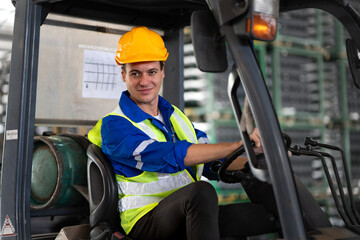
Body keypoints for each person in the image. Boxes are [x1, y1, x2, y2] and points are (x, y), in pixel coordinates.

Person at [87, 26, 280, 240]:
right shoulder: (115, 125)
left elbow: (212, 163)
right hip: (144, 222)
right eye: (135, 73)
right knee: (202, 191)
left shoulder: (174, 116)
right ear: (124, 75)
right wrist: (239, 143)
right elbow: (167, 155)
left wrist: (259, 158)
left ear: (162, 72)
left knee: (271, 215)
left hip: (187, 213)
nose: (144, 81)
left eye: (151, 72)